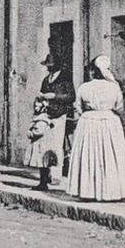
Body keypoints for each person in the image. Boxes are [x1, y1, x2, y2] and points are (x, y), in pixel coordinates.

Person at [66, 54, 125, 202]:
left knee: (90, 156)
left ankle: (88, 190)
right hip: (110, 122)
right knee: (109, 156)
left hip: (88, 122)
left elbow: (78, 107)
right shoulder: (114, 87)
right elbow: (119, 107)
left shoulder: (84, 87)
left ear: (92, 71)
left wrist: (89, 113)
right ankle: (110, 192)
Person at [27, 53, 75, 191]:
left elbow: (71, 97)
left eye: (51, 66)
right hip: (45, 115)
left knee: (55, 146)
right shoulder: (46, 80)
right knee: (42, 146)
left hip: (59, 116)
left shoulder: (65, 80)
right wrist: (40, 101)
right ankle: (43, 179)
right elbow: (41, 94)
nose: (48, 69)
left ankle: (56, 176)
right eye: (47, 66)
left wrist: (54, 96)